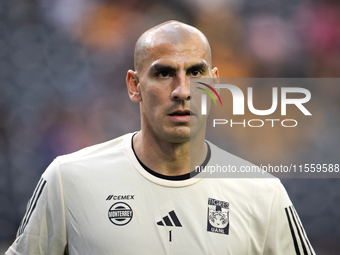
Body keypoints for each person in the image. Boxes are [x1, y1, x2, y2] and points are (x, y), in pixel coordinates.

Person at [6, 20, 315, 255]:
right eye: (164, 73)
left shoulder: (263, 193)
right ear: (134, 86)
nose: (182, 90)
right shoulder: (67, 179)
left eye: (196, 73)